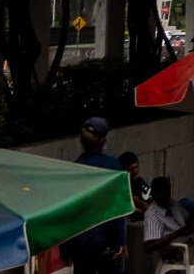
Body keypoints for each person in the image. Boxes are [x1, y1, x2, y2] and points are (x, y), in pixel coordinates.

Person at [59, 117, 127, 274]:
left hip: (80, 242)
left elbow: (68, 211)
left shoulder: (73, 169)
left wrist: (65, 247)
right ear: (103, 140)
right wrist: (120, 242)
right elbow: (116, 207)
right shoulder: (113, 166)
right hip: (106, 239)